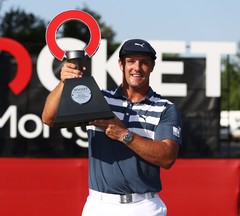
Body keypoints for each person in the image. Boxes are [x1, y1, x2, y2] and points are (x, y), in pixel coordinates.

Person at [42, 39, 182, 216]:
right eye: (131, 61)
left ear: (152, 66)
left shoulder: (165, 108)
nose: (137, 68)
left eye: (144, 62)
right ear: (120, 64)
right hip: (99, 206)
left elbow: (167, 157)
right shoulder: (100, 99)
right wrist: (64, 82)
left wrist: (124, 134)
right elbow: (49, 118)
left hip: (145, 206)